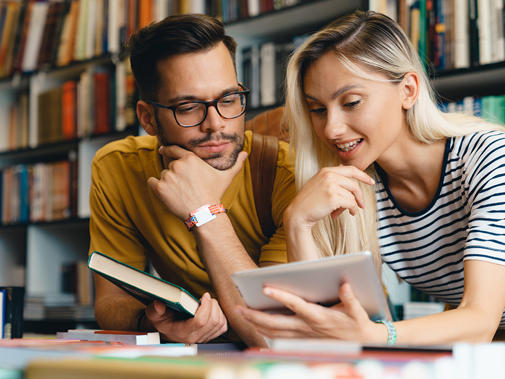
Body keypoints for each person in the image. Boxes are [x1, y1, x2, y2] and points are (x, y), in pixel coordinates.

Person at [237, 10, 505, 345]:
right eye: (317, 109)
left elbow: (480, 319)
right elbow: (325, 325)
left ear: (408, 90)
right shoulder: (361, 184)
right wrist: (298, 222)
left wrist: (377, 334)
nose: (331, 129)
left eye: (351, 102)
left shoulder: (492, 158)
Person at [88, 14, 295, 346]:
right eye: (188, 107)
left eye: (228, 100)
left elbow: (270, 330)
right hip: (202, 353)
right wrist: (155, 322)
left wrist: (203, 210)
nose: (215, 124)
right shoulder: (119, 168)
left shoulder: (286, 172)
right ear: (147, 118)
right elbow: (110, 301)